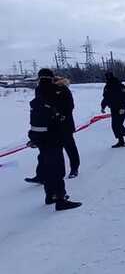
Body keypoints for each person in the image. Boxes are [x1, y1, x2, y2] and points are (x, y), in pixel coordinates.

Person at [27, 69, 81, 211]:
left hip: (41, 135)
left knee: (48, 163)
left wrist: (34, 137)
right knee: (57, 167)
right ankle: (60, 199)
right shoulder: (56, 89)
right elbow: (67, 107)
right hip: (56, 133)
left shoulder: (42, 90)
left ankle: (50, 195)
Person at [54, 77, 80, 178]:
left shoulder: (64, 90)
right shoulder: (48, 91)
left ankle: (74, 168)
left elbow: (70, 106)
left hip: (65, 124)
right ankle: (44, 174)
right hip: (53, 125)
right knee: (52, 151)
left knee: (69, 147)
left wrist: (63, 115)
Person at [101, 72, 125, 148]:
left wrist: (123, 107)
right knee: (114, 125)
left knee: (118, 125)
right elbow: (106, 98)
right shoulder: (107, 87)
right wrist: (103, 107)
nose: (108, 78)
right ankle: (121, 140)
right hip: (113, 108)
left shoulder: (120, 85)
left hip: (121, 108)